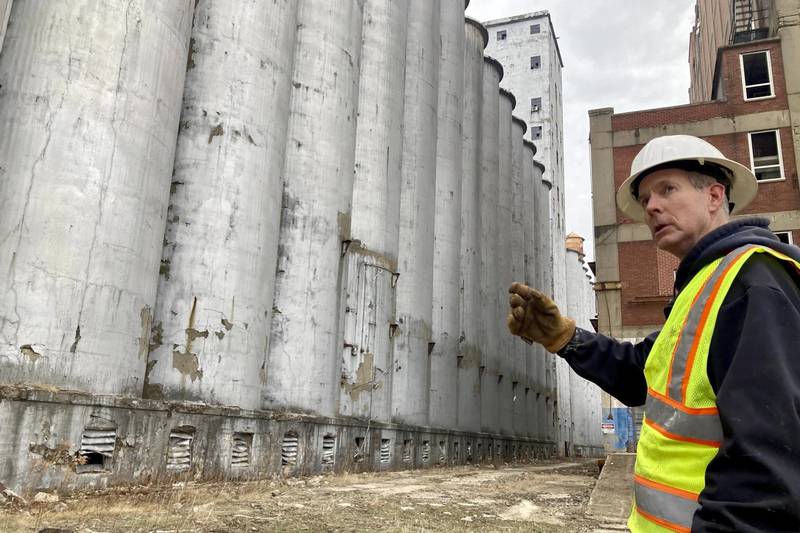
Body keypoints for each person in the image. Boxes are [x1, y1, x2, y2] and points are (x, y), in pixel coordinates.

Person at [507, 134, 800, 532]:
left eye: (667, 189)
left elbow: (769, 458)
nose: (652, 207)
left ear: (715, 196)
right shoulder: (703, 286)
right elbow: (642, 374)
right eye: (645, 199)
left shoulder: (752, 282)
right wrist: (565, 337)